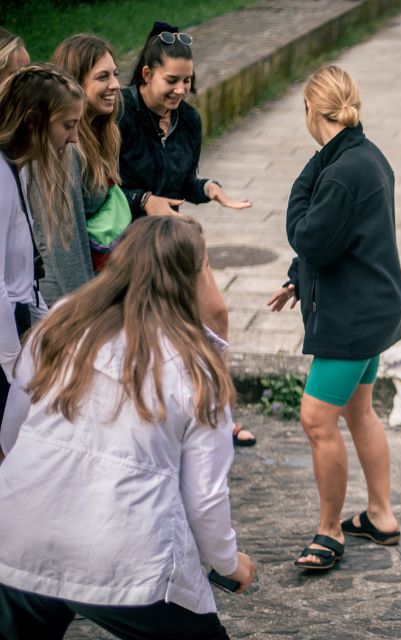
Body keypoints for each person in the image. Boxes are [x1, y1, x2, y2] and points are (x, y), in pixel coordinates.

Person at [0, 215, 255, 639]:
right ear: (187, 279)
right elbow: (205, 498)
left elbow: (12, 433)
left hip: (18, 532)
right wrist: (230, 562)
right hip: (124, 556)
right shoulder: (195, 367)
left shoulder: (60, 323)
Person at [266, 65, 401, 571]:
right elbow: (337, 242)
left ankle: (329, 532)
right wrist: (298, 278)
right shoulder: (363, 157)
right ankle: (380, 515)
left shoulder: (343, 170)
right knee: (358, 410)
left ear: (311, 110)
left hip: (352, 318)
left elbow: (308, 236)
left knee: (316, 418)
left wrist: (312, 168)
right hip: (371, 307)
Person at [119, 21, 255, 446]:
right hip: (129, 241)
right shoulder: (120, 113)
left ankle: (218, 409)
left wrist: (208, 189)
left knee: (214, 314)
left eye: (187, 81)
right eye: (171, 81)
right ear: (147, 75)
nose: (180, 90)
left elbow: (182, 184)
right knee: (146, 331)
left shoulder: (189, 121)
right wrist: (143, 200)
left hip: (176, 236)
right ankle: (148, 418)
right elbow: (97, 188)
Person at [0, 64, 84, 438]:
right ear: (35, 120)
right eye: (68, 125)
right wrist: (13, 364)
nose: (74, 138)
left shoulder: (18, 169)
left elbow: (26, 277)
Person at [42, 34, 121, 302]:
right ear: (74, 83)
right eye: (103, 77)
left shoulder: (103, 134)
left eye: (115, 74)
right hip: (69, 301)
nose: (115, 85)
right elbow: (65, 243)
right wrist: (87, 309)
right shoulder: (66, 150)